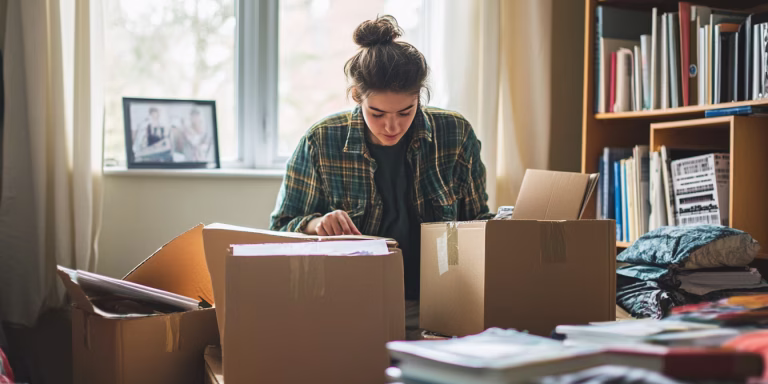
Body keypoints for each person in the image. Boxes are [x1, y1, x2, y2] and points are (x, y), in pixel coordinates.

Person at [270, 15, 493, 340]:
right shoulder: (322, 140)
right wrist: (317, 224)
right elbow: (279, 229)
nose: (392, 127)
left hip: (443, 304)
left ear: (420, 97)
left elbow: (476, 221)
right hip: (349, 305)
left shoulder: (454, 134)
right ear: (356, 97)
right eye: (377, 114)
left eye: (406, 111)